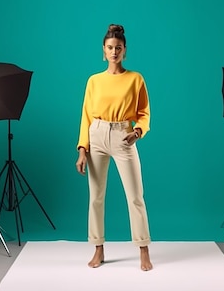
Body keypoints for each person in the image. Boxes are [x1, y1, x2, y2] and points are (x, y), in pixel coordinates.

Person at [75, 23, 153, 271]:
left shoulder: (135, 79)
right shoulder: (94, 81)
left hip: (123, 135)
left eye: (118, 48)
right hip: (96, 134)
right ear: (103, 50)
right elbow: (86, 116)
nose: (114, 52)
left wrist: (137, 132)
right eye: (110, 47)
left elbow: (143, 113)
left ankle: (143, 250)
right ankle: (98, 248)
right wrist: (82, 149)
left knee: (135, 197)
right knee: (96, 197)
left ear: (125, 50)